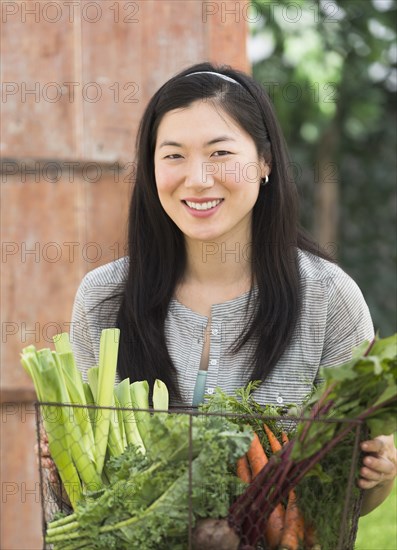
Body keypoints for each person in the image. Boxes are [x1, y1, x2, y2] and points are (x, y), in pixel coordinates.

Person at [64, 62, 395, 515]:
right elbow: (88, 494)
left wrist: (380, 473)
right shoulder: (102, 298)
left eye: (219, 153)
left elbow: (349, 499)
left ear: (265, 162)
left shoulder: (329, 298)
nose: (197, 178)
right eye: (174, 155)